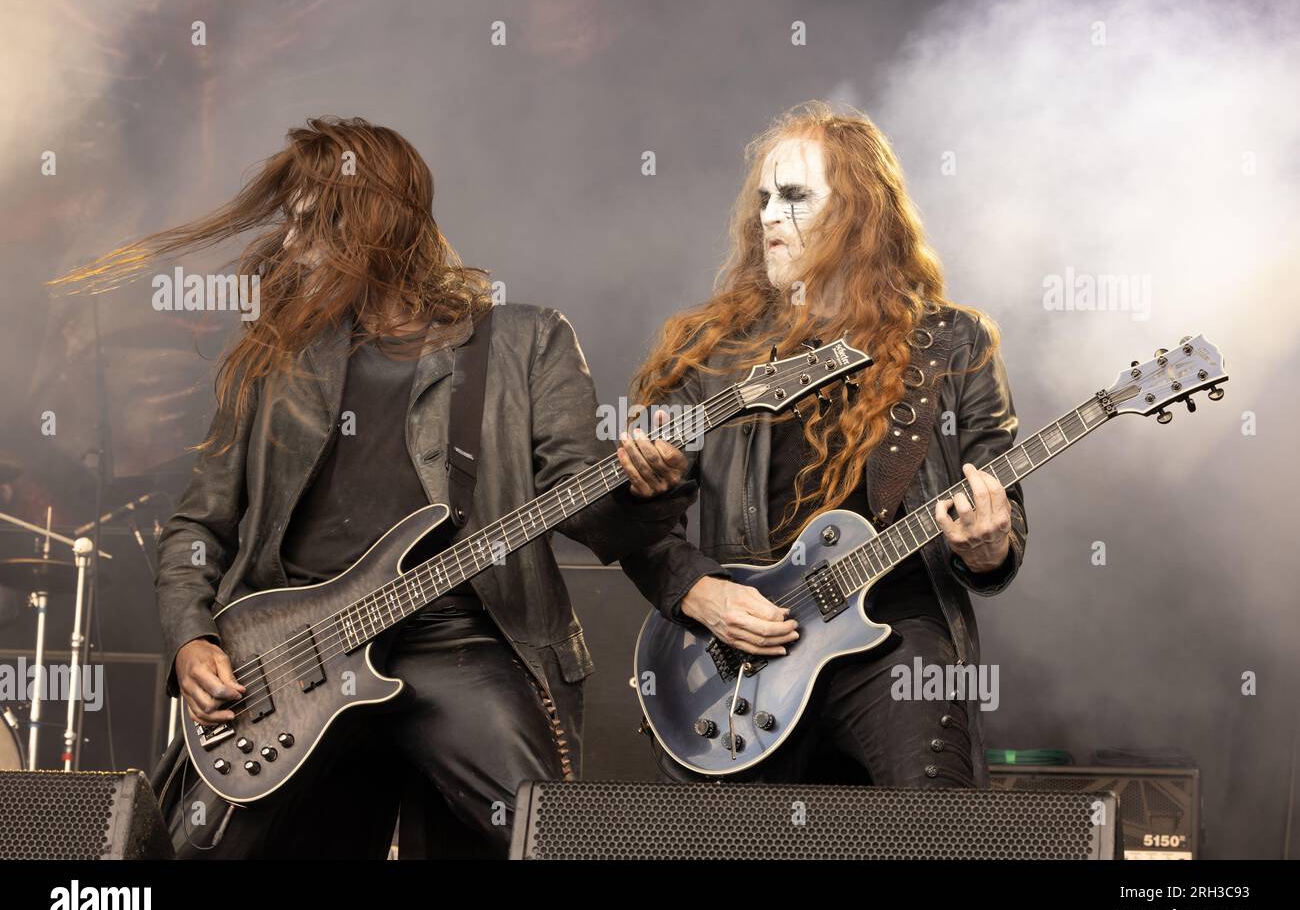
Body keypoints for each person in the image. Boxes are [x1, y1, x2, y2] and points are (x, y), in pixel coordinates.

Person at [52, 116, 691, 857]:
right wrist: (192, 637)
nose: (290, 246)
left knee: (542, 837)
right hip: (295, 658)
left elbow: (592, 513)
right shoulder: (272, 358)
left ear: (370, 225)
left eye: (308, 227)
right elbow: (197, 528)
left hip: (460, 641)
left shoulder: (524, 340)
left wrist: (644, 488)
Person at [621, 102, 1028, 789]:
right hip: (749, 645)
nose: (769, 217)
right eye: (764, 200)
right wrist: (696, 590)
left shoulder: (954, 344)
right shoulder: (711, 352)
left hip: (895, 632)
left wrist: (990, 546)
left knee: (938, 818)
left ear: (860, 213)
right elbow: (628, 521)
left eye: (795, 197)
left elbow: (1001, 517)